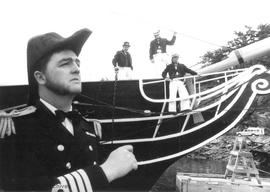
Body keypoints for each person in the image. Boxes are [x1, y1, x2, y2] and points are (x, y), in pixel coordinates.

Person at [1, 29, 137, 191]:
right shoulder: (16, 129)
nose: (76, 69)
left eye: (77, 63)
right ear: (40, 77)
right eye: (65, 63)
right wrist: (106, 171)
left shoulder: (88, 127)